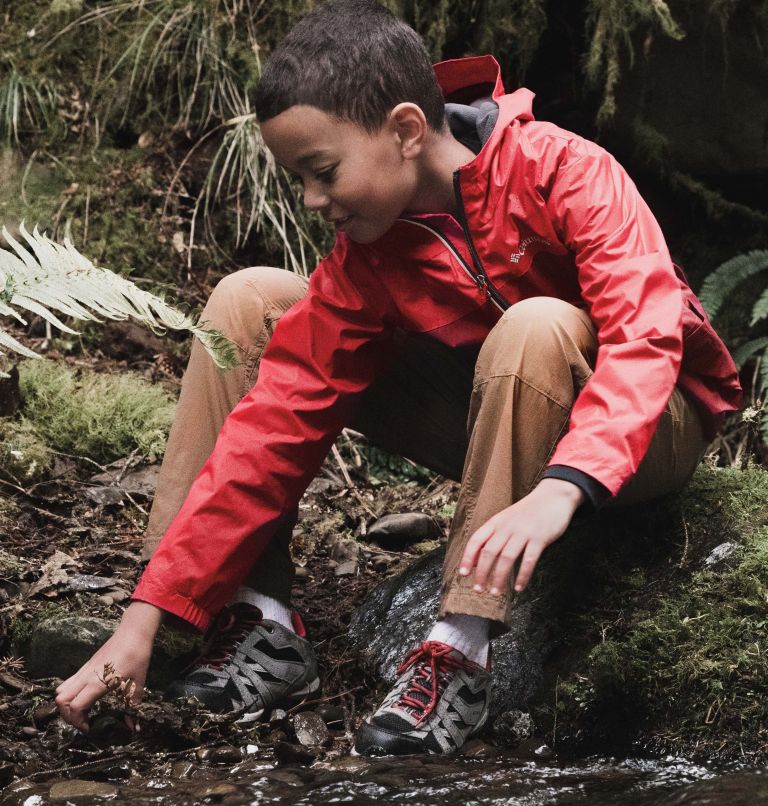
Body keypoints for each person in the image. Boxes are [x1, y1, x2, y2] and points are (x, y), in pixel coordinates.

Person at [55, 0, 741, 756]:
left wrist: (563, 484)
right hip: (508, 428)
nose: (314, 201)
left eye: (323, 172)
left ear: (407, 131)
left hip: (644, 441)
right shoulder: (371, 260)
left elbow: (646, 336)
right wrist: (145, 618)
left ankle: (459, 647)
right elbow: (272, 425)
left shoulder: (562, 168)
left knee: (537, 323)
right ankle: (254, 623)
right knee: (249, 302)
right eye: (300, 181)